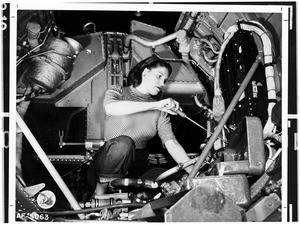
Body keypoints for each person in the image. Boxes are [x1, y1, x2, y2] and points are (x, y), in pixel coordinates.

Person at [87, 55, 193, 195]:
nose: (162, 83)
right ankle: (99, 195)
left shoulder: (160, 111)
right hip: (107, 163)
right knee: (124, 143)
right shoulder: (119, 91)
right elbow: (111, 108)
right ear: (145, 72)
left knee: (174, 180)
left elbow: (171, 143)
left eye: (165, 80)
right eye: (159, 76)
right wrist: (155, 105)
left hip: (138, 169)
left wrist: (194, 171)